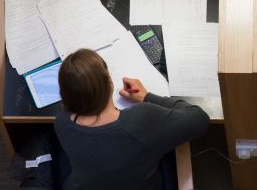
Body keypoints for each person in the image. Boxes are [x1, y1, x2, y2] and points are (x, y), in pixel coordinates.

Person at [54, 48, 210, 190]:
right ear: (109, 83)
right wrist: (146, 96)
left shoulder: (62, 123)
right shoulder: (141, 119)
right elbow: (199, 119)